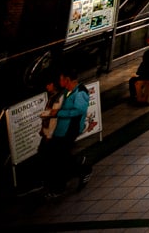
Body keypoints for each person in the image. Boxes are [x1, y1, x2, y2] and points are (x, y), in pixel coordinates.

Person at [44, 68, 91, 199]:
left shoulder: (80, 92)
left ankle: (60, 187)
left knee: (60, 158)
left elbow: (78, 111)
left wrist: (58, 113)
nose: (59, 81)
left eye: (61, 79)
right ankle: (80, 165)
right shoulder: (67, 92)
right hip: (61, 129)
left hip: (71, 130)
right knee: (59, 155)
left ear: (67, 80)